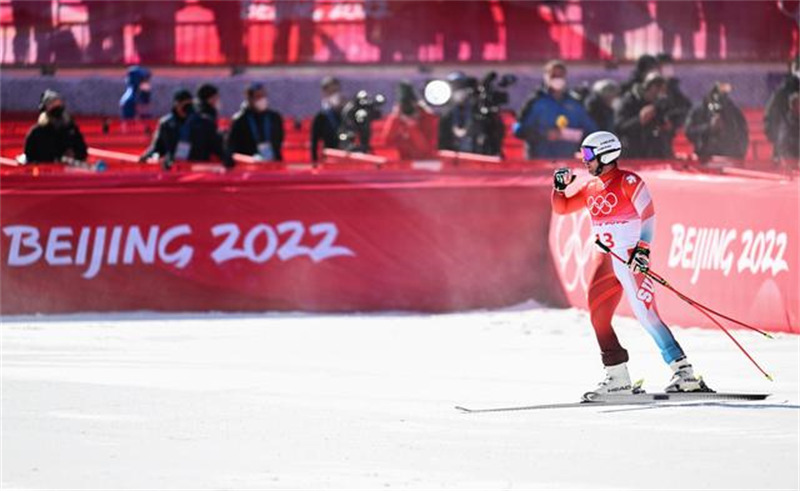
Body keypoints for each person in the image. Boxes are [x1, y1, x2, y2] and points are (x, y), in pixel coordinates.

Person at [551, 130, 713, 394]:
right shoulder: (591, 187)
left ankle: (685, 374)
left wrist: (642, 251)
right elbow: (562, 209)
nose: (584, 160)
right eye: (582, 154)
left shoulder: (629, 181)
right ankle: (617, 376)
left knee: (647, 316)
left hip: (628, 259)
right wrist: (559, 188)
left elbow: (648, 216)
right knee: (598, 317)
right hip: (604, 260)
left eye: (589, 154)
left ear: (606, 154)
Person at [513, 60, 597, 159]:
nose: (557, 79)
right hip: (539, 163)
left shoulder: (575, 103)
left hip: (568, 162)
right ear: (546, 77)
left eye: (560, 76)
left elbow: (591, 131)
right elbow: (519, 130)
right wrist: (544, 134)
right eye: (553, 76)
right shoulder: (535, 102)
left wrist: (577, 140)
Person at [140, 89, 231, 168]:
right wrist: (148, 155)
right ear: (176, 105)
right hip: (173, 167)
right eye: (183, 104)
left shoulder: (205, 123)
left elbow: (216, 145)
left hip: (198, 167)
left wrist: (226, 158)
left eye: (188, 104)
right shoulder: (166, 124)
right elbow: (157, 147)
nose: (186, 108)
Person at [614, 72, 673, 159]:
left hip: (652, 153)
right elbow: (619, 127)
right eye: (656, 86)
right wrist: (639, 120)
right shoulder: (629, 101)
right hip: (630, 152)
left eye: (661, 87)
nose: (659, 91)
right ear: (647, 86)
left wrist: (666, 126)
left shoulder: (660, 104)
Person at [685, 83, 749, 162]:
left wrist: (739, 154)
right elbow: (689, 132)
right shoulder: (698, 111)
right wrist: (709, 127)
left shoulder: (733, 111)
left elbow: (742, 133)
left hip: (729, 157)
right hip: (704, 157)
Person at [24, 90, 88, 164]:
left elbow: (83, 151)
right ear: (45, 108)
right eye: (52, 104)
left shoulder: (71, 129)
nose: (56, 107)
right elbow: (30, 157)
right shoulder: (36, 132)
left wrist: (74, 155)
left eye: (58, 104)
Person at [228, 82, 285, 162]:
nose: (262, 99)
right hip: (248, 165)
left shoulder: (274, 118)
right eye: (258, 96)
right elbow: (232, 147)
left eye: (264, 96)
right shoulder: (240, 120)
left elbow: (279, 139)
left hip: (272, 163)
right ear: (250, 99)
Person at [380, 81, 438, 160]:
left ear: (415, 103)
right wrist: (394, 118)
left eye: (410, 103)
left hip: (426, 163)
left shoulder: (428, 118)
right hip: (404, 163)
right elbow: (386, 142)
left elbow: (425, 150)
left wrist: (412, 127)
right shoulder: (397, 119)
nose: (407, 108)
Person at [765, 58, 800, 163]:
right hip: (786, 154)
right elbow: (770, 120)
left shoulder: (781, 92)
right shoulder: (782, 93)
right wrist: (777, 141)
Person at [310, 76, 345, 162]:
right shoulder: (321, 114)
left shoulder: (345, 109)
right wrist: (314, 159)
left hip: (343, 149)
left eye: (335, 87)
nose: (332, 90)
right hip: (328, 151)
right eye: (328, 88)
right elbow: (315, 139)